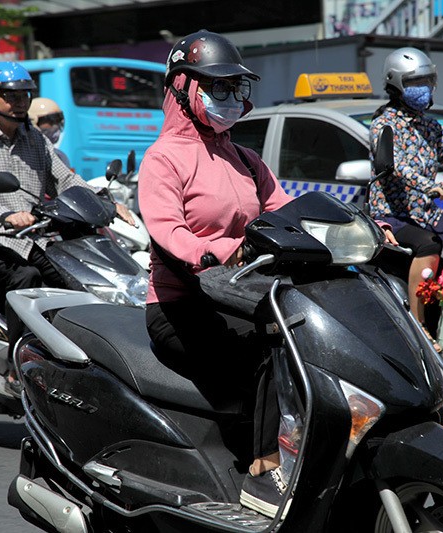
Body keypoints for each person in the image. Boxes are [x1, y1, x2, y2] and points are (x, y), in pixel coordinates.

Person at [137, 30, 293, 518]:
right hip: (180, 306)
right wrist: (215, 253)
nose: (229, 98)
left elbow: (288, 210)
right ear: (182, 87)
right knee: (269, 348)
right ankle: (262, 469)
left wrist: (358, 229)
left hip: (238, 295)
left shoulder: (244, 158)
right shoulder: (163, 158)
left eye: (234, 89)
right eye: (217, 87)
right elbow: (168, 230)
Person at [0, 61, 133, 390]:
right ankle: (14, 367)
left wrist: (107, 201)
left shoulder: (34, 137)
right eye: (12, 95)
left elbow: (65, 179)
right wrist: (6, 215)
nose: (21, 101)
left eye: (25, 95)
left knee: (77, 281)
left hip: (32, 241)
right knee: (27, 278)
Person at [367, 47, 443, 350]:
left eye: (427, 80)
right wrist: (427, 185)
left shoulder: (431, 126)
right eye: (414, 82)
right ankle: (419, 327)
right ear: (396, 84)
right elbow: (393, 167)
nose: (424, 89)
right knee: (428, 244)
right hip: (395, 215)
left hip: (428, 213)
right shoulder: (385, 125)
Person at [28, 96, 70, 167]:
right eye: (51, 120)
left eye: (58, 119)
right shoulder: (24, 155)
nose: (56, 125)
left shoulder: (60, 157)